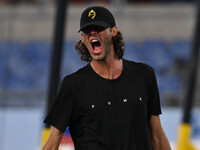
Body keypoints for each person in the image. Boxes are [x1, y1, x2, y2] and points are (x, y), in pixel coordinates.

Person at [42, 6, 171, 150]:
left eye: (98, 29)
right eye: (86, 32)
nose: (92, 34)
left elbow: (157, 137)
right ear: (82, 38)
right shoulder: (72, 85)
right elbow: (51, 144)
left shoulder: (144, 74)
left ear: (113, 31)